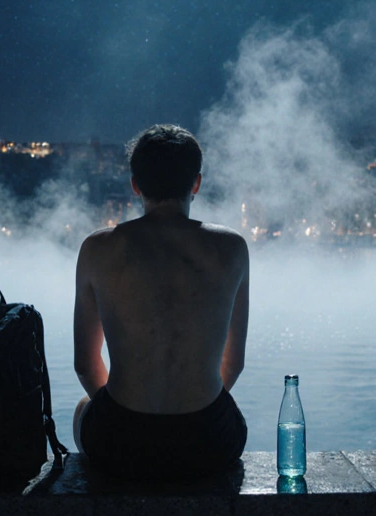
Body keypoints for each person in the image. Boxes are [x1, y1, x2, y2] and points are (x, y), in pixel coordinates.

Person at [72, 124, 250, 480]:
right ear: (196, 183)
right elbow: (234, 364)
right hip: (209, 442)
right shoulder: (232, 248)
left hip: (120, 443)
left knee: (82, 409)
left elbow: (85, 365)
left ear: (136, 185)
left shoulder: (98, 249)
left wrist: (130, 414)